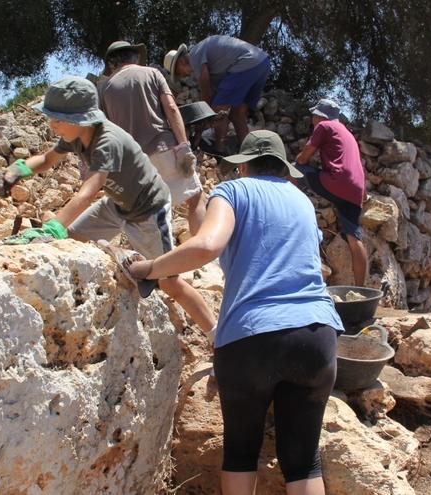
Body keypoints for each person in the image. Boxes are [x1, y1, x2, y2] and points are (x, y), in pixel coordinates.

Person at [125, 130, 343, 495]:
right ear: (283, 169)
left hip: (251, 337)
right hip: (316, 335)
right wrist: (196, 209)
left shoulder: (233, 191)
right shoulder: (302, 201)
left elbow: (208, 244)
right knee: (304, 460)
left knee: (241, 453)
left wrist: (148, 269)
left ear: (244, 167)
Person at [0, 76, 216, 334]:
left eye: (57, 119)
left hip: (148, 210)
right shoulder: (76, 135)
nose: (51, 125)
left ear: (80, 119)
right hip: (117, 204)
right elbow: (45, 159)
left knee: (169, 281)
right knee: (72, 241)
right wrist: (17, 169)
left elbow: (88, 191)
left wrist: (54, 227)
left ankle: (216, 334)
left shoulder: (107, 141)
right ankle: (121, 256)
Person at [98, 40, 207, 235]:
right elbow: (172, 109)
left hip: (134, 162)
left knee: (150, 214)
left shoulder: (104, 89)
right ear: (136, 57)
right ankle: (202, 253)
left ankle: (158, 261)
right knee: (195, 198)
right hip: (163, 147)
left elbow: (106, 130)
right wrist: (183, 146)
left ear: (112, 64)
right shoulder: (152, 73)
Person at [294, 99, 369, 286]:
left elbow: (304, 156)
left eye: (314, 115)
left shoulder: (324, 126)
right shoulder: (347, 132)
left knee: (293, 170)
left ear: (320, 115)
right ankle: (361, 288)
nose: (312, 118)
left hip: (336, 182)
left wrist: (297, 162)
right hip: (355, 190)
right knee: (354, 238)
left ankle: (287, 208)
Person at [164, 35, 270, 155]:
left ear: (182, 61)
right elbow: (213, 93)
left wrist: (201, 119)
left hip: (246, 63)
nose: (182, 77)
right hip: (262, 63)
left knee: (219, 110)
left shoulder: (195, 55)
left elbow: (206, 92)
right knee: (237, 115)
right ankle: (249, 154)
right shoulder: (214, 64)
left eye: (178, 73)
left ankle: (219, 151)